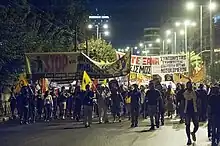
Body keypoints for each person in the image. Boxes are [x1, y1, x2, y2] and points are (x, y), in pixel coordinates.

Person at [183, 81, 199, 145]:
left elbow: (198, 100)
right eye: (188, 85)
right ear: (187, 86)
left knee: (196, 125)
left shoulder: (195, 93)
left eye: (190, 85)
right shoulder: (184, 93)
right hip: (187, 111)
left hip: (194, 110)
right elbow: (182, 102)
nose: (189, 86)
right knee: (187, 125)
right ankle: (189, 139)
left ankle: (193, 132)